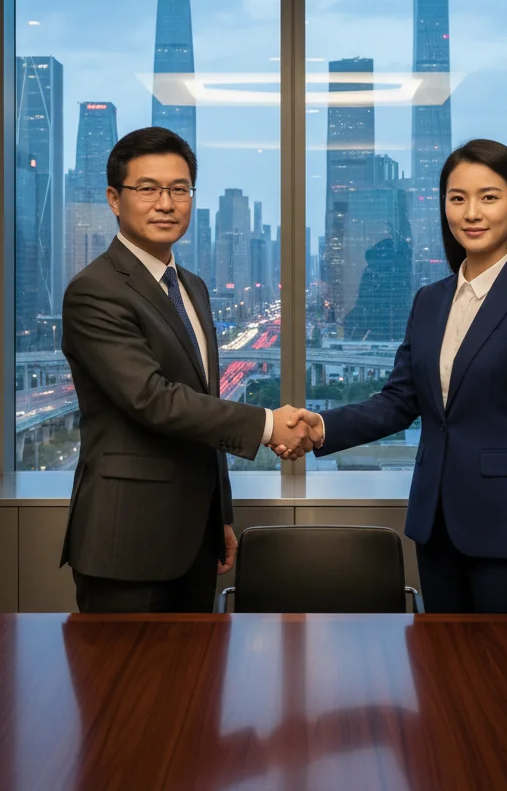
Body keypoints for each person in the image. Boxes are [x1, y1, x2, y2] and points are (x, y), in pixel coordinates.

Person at [290, 139, 507, 613]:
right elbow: (401, 401)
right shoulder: (430, 301)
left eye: (489, 197)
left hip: (506, 535)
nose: (472, 212)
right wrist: (321, 428)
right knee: (440, 671)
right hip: (434, 527)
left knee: (505, 678)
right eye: (457, 198)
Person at [60, 127, 316, 613]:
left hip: (195, 540)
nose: (166, 203)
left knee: (194, 684)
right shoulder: (95, 290)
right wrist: (266, 424)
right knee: (121, 688)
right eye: (148, 189)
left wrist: (218, 513)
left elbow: (202, 396)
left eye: (179, 189)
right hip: (125, 542)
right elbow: (152, 399)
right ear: (115, 199)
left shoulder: (192, 287)